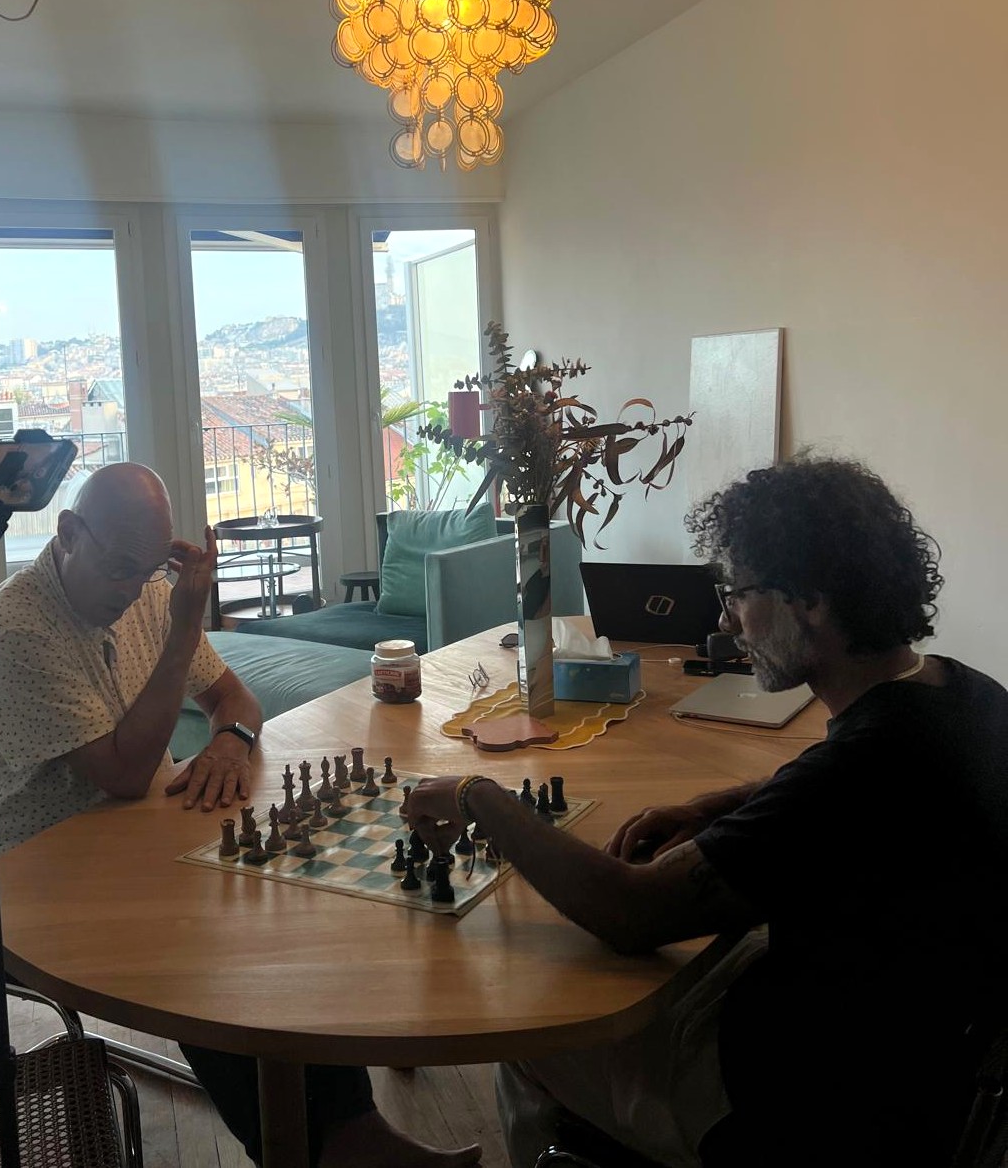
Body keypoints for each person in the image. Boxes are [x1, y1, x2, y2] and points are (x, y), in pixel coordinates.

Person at [409, 455, 1008, 1167]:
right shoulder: (965, 694)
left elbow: (628, 912)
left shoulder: (856, 772)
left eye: (738, 592)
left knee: (536, 1026)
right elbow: (839, 795)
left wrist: (479, 797)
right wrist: (716, 805)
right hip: (925, 1054)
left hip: (810, 1102)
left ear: (810, 601)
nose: (726, 618)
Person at [0, 462, 480, 1168]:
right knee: (196, 946)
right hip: (2, 879)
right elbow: (127, 775)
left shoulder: (143, 589)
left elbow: (235, 700)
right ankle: (322, 1147)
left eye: (148, 572)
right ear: (67, 533)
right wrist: (185, 628)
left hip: (116, 844)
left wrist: (230, 740)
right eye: (121, 569)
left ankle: (347, 1132)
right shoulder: (14, 630)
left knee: (268, 911)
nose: (133, 590)